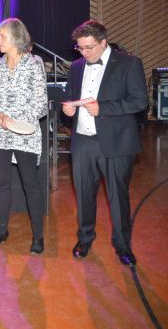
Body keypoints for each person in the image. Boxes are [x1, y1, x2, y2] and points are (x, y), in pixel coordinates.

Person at [62, 20, 147, 266]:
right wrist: (68, 109)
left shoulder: (129, 63)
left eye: (88, 47)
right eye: (80, 48)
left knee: (117, 197)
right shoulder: (77, 66)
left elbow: (140, 101)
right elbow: (70, 96)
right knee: (84, 194)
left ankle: (122, 246)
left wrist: (103, 108)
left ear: (103, 42)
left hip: (116, 141)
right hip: (82, 141)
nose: (84, 53)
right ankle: (84, 239)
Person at [0, 18, 48, 254]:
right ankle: (1, 230)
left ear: (16, 38)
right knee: (1, 183)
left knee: (31, 183)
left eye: (2, 37)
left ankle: (38, 236)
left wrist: (14, 121)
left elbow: (41, 104)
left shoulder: (33, 66)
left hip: (24, 133)